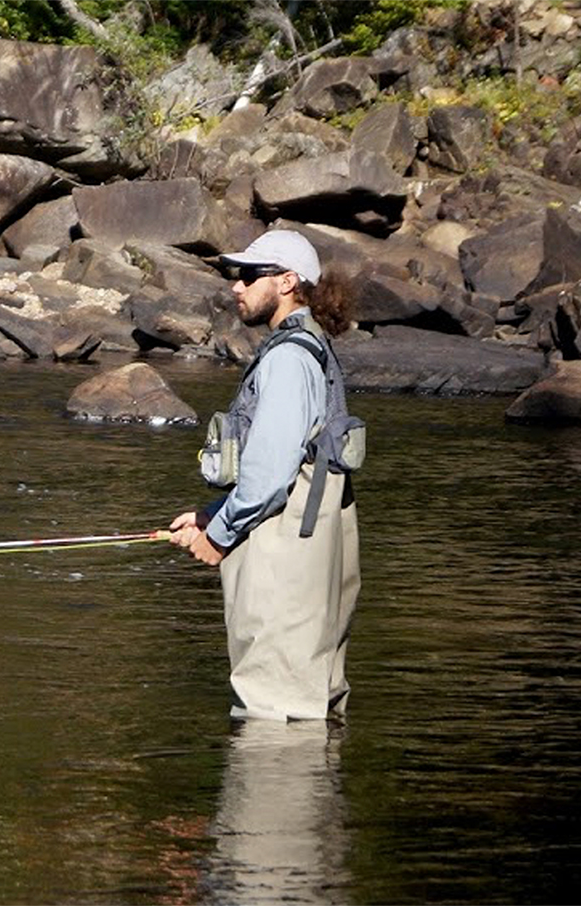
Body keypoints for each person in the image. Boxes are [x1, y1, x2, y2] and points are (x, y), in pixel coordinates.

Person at [168, 229, 361, 722]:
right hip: (312, 535)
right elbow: (294, 461)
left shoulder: (289, 358)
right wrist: (210, 515)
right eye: (238, 274)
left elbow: (272, 474)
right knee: (314, 702)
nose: (237, 285)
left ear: (288, 281)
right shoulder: (313, 348)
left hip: (286, 549)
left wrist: (222, 534)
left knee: (275, 708)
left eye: (252, 275)